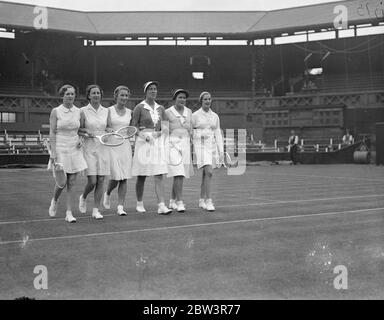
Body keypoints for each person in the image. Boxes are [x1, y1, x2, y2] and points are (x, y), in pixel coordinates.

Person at [130, 81, 172, 215]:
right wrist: (144, 136)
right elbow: (133, 127)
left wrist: (159, 133)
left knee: (159, 173)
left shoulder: (161, 108)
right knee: (142, 175)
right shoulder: (139, 107)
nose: (153, 91)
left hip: (157, 142)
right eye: (150, 89)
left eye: (155, 89)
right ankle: (139, 203)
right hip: (143, 143)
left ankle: (161, 205)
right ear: (145, 91)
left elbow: (166, 127)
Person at [48, 84, 88, 223]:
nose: (70, 96)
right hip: (60, 147)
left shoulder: (79, 112)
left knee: (71, 181)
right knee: (62, 182)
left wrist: (81, 140)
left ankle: (69, 212)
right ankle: (55, 200)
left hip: (75, 148)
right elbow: (52, 132)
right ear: (62, 96)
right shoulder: (55, 111)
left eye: (72, 94)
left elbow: (81, 130)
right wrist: (53, 152)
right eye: (67, 94)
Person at [78, 84, 110, 220]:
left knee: (101, 179)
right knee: (92, 181)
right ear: (89, 95)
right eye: (93, 93)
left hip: (103, 147)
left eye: (98, 93)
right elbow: (78, 129)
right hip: (89, 147)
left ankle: (96, 210)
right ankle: (83, 197)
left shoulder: (106, 111)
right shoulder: (82, 111)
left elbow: (107, 127)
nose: (96, 95)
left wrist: (109, 131)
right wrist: (86, 131)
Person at [103, 86, 133, 216]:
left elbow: (131, 129)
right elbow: (105, 126)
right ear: (116, 96)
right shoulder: (108, 111)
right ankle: (108, 193)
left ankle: (120, 206)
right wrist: (108, 129)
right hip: (112, 145)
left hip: (125, 146)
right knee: (115, 177)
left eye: (126, 96)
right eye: (122, 95)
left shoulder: (130, 112)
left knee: (124, 178)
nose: (124, 98)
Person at [192, 91, 224, 212]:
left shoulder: (215, 116)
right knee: (209, 172)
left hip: (212, 146)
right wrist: (201, 135)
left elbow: (218, 133)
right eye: (205, 99)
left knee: (206, 174)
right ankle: (209, 200)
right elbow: (191, 132)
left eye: (209, 99)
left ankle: (201, 200)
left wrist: (221, 151)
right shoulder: (195, 115)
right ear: (201, 101)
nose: (207, 101)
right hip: (200, 146)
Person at [165, 89, 194, 212]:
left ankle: (172, 201)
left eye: (184, 98)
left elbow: (190, 129)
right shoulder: (167, 112)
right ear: (174, 99)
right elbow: (164, 131)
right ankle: (180, 201)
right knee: (178, 173)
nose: (182, 100)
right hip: (172, 146)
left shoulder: (189, 112)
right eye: (180, 97)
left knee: (179, 175)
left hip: (185, 146)